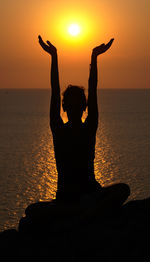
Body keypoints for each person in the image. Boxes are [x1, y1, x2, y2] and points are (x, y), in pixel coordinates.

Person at [25, 36, 130, 220]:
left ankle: (82, 213)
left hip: (88, 196)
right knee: (32, 210)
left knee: (123, 189)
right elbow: (55, 91)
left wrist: (94, 58)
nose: (74, 106)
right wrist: (54, 57)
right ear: (65, 107)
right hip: (70, 199)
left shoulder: (87, 127)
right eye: (70, 103)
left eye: (78, 103)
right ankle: (87, 213)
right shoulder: (61, 129)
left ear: (84, 107)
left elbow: (93, 88)